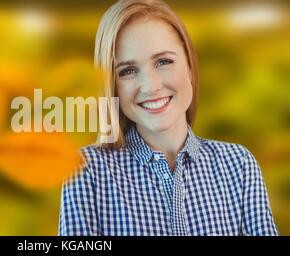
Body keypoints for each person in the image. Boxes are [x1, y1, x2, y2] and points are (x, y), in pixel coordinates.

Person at [58, 0, 278, 236]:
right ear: (112, 86)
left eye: (163, 62)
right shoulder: (85, 171)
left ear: (190, 67)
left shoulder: (238, 165)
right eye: (127, 71)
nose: (151, 86)